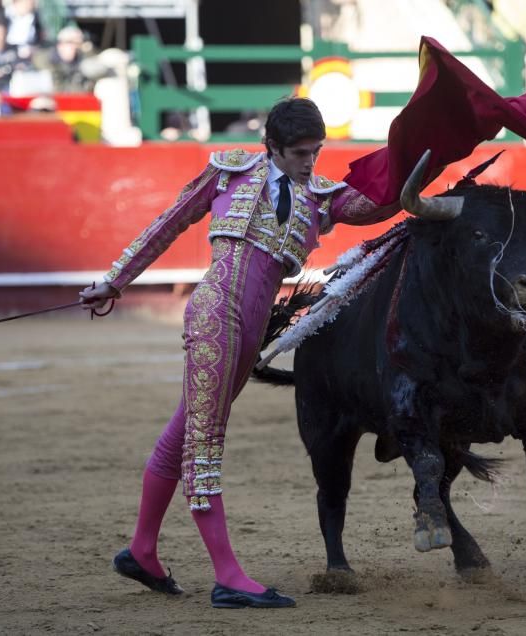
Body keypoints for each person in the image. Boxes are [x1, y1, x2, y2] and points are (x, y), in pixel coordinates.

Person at [78, 97, 407, 609]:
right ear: (271, 146)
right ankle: (228, 575)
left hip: (252, 331)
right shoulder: (230, 172)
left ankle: (143, 550)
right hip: (215, 313)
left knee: (184, 433)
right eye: (299, 152)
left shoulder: (319, 195)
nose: (309, 161)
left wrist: (422, 157)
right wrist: (113, 281)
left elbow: (377, 205)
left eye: (316, 151)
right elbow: (168, 223)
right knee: (204, 443)